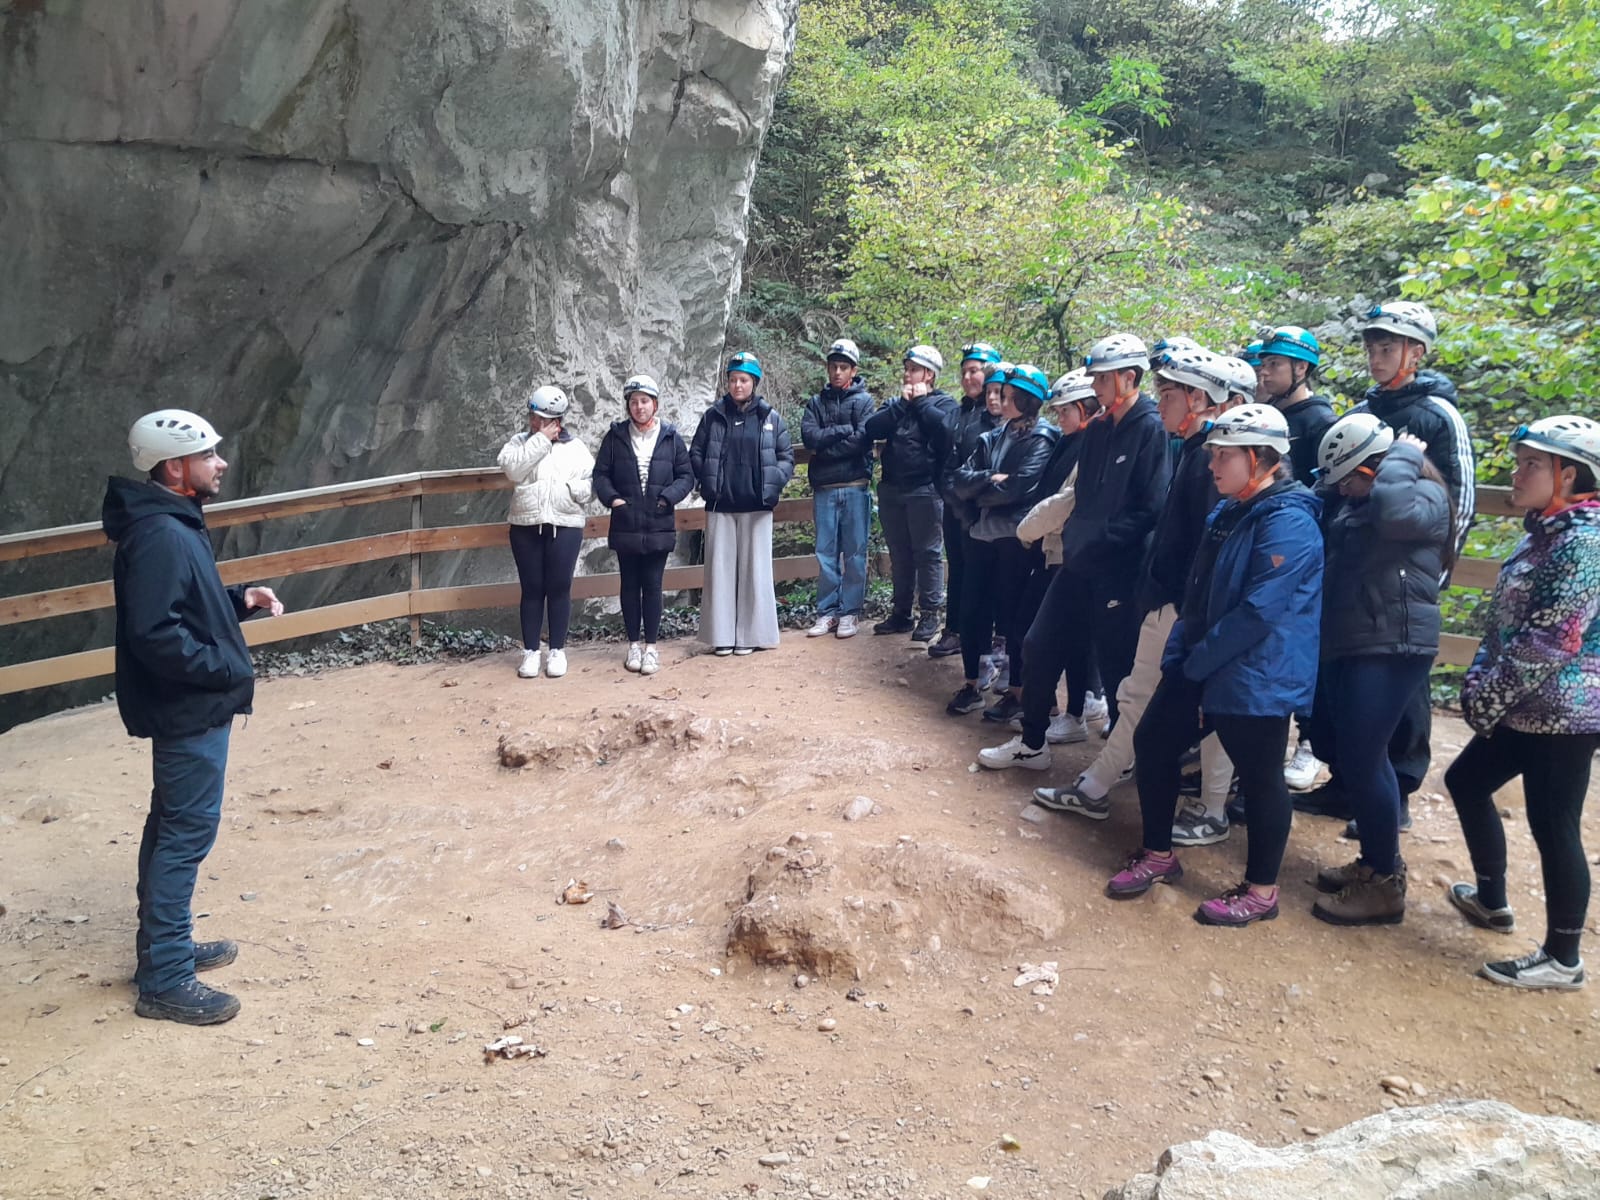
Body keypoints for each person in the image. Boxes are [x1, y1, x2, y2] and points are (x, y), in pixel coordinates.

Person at [102, 410, 285, 1025]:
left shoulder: (173, 520)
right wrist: (224, 668)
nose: (220, 462)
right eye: (208, 454)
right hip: (189, 709)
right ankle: (165, 978)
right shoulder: (161, 533)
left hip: (187, 704)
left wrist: (240, 600)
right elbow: (157, 634)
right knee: (183, 837)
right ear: (176, 466)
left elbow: (186, 607)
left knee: (171, 828)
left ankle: (166, 950)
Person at [1108, 405, 1323, 926]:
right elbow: (1199, 592)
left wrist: (1195, 663)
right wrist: (1182, 655)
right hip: (1204, 660)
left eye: (1224, 456)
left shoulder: (1290, 523)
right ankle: (1159, 854)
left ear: (1261, 458)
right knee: (1153, 742)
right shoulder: (1229, 512)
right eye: (1213, 454)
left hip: (1257, 674)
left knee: (1260, 775)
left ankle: (1262, 892)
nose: (1212, 465)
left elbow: (1258, 612)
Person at [1033, 346, 1236, 847]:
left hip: (1184, 607)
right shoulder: (1190, 450)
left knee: (1206, 707)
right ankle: (1097, 785)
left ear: (1198, 399)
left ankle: (1211, 809)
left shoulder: (1209, 460)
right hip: (1165, 598)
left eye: (1169, 395)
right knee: (1137, 694)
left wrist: (1189, 609)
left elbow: (1208, 545)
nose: (1160, 403)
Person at [1296, 300, 1475, 834]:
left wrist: (1434, 577)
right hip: (1350, 572)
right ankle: (1344, 785)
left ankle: (1396, 794)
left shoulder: (1438, 416)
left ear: (1415, 353)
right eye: (1372, 347)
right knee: (1339, 685)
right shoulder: (1362, 410)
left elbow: (1459, 499)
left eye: (1387, 347)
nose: (1376, 357)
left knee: (1400, 695)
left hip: (1402, 586)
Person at [1444, 416, 1600, 990]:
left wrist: (1486, 697)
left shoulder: (1585, 544)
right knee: (1466, 781)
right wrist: (1481, 680)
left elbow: (1551, 640)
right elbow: (1504, 626)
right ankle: (1491, 901)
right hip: (1525, 708)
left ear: (1570, 475)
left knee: (1554, 825)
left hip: (1566, 715)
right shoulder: (1545, 532)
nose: (1517, 472)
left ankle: (1563, 959)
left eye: (1532, 463)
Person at [979, 334, 1170, 771]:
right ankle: (1033, 743)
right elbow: (1082, 496)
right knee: (1037, 643)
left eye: (1102, 378)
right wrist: (1078, 542)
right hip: (1078, 560)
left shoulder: (1151, 428)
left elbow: (1150, 507)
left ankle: (1123, 758)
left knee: (1118, 663)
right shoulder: (1099, 429)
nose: (1095, 386)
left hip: (1120, 567)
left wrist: (1101, 542)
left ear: (1129, 377)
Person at [1309, 416, 1453, 925]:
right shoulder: (1365, 499)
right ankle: (1375, 862)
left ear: (1375, 468)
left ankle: (1385, 883)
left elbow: (1392, 515)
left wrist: (1404, 456)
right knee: (1359, 758)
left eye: (1349, 479)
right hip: (1358, 640)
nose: (1342, 490)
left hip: (1393, 645)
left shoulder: (1420, 497)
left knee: (1367, 759)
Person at [945, 365, 1058, 720]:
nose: (1000, 401)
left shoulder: (1042, 438)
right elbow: (958, 480)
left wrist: (980, 490)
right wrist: (988, 479)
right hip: (980, 534)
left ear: (1027, 401)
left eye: (1008, 396)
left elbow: (1018, 488)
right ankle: (973, 682)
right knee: (972, 609)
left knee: (1011, 615)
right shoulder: (993, 436)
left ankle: (1017, 691)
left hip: (1015, 538)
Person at [1255, 325, 1337, 791]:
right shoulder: (1270, 414)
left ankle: (1308, 743)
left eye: (1274, 364)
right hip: (1266, 540)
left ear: (1301, 368)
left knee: (1300, 645)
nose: (1264, 372)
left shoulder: (1319, 421)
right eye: (1263, 364)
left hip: (1300, 544)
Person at [690, 352, 796, 655]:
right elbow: (696, 452)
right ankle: (722, 636)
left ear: (754, 383)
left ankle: (751, 635)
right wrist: (707, 480)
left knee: (755, 571)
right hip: (721, 504)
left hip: (757, 505)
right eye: (733, 379)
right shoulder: (713, 416)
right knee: (720, 572)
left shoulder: (769, 418)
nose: (738, 385)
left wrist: (773, 481)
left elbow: (786, 456)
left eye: (744, 380)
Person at [592, 373, 695, 675]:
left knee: (652, 585)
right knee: (628, 585)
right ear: (628, 406)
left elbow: (686, 475)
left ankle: (651, 647)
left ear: (655, 404)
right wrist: (614, 500)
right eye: (634, 402)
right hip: (626, 521)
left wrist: (667, 498)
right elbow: (601, 475)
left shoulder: (670, 437)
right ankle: (633, 645)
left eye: (645, 401)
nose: (639, 407)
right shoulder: (615, 437)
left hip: (658, 520)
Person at [498, 385, 595, 679]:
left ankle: (557, 650)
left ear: (556, 420)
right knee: (531, 588)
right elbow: (513, 470)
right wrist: (541, 440)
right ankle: (530, 651)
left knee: (559, 587)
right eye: (533, 416)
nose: (534, 421)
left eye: (541, 418)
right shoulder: (519, 442)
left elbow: (592, 482)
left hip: (565, 525)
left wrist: (572, 490)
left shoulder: (576, 448)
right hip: (525, 524)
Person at [864, 346, 959, 642]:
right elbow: (872, 428)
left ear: (929, 374)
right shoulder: (896, 404)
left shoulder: (944, 404)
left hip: (925, 489)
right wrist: (902, 405)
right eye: (906, 368)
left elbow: (946, 433)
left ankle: (930, 614)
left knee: (928, 554)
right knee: (899, 553)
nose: (907, 374)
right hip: (892, 488)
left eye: (913, 369)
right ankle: (901, 613)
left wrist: (920, 403)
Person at [931, 342, 1004, 658]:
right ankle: (955, 630)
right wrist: (953, 498)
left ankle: (994, 636)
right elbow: (943, 462)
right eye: (964, 372)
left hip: (984, 510)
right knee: (958, 568)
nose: (967, 378)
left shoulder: (1000, 419)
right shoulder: (956, 414)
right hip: (954, 506)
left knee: (988, 573)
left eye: (974, 371)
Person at [801, 339, 875, 641]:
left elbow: (862, 439)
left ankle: (850, 612)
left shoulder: (864, 402)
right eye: (833, 366)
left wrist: (826, 448)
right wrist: (844, 431)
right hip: (825, 487)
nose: (837, 372)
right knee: (825, 552)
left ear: (853, 370)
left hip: (856, 485)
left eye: (843, 367)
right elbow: (809, 437)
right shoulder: (815, 403)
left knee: (855, 552)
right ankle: (827, 611)